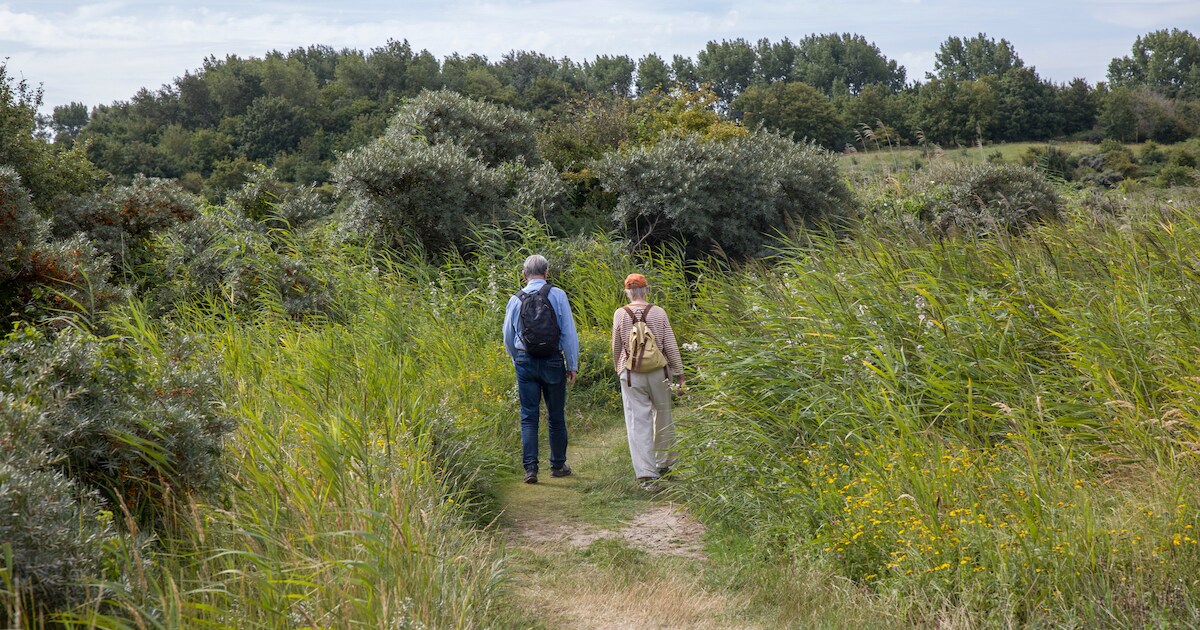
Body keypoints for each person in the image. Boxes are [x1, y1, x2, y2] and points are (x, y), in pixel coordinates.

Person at [503, 254, 580, 484]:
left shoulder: (515, 299)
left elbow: (507, 336)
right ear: (546, 273)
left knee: (529, 416)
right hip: (553, 360)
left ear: (524, 275)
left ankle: (531, 469)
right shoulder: (558, 295)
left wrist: (517, 359)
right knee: (556, 415)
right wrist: (572, 364)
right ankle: (558, 465)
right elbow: (568, 333)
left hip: (525, 361)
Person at [611, 273, 684, 493]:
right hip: (659, 372)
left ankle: (646, 475)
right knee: (663, 415)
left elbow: (616, 346)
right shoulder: (658, 312)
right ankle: (664, 463)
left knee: (637, 421)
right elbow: (670, 344)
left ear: (628, 292)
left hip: (631, 373)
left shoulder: (620, 314)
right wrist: (680, 373)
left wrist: (619, 367)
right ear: (646, 290)